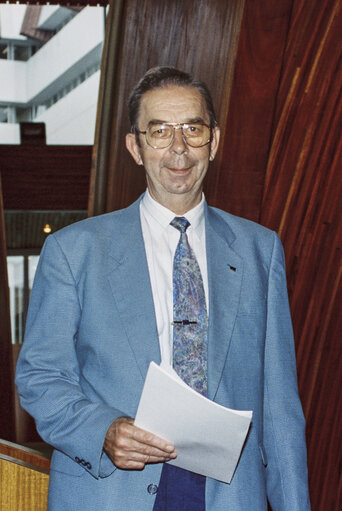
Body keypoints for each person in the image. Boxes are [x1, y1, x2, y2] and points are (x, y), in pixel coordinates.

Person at [15, 66, 311, 511]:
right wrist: (104, 430)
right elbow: (40, 377)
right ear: (135, 147)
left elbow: (281, 410)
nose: (179, 149)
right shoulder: (73, 252)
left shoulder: (260, 250)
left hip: (228, 496)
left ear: (214, 140)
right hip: (111, 490)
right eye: (159, 131)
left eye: (192, 129)